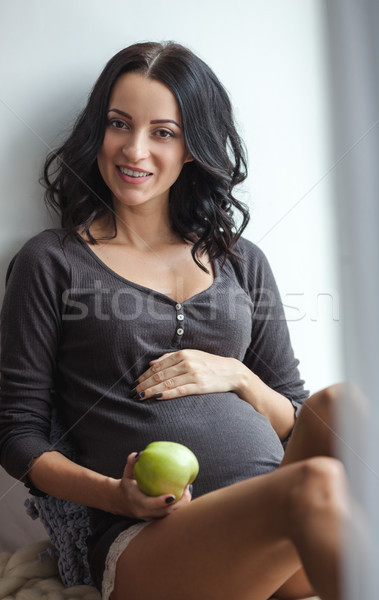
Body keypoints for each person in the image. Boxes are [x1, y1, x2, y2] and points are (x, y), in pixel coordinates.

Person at [0, 41, 350, 600]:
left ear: (192, 147)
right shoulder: (53, 261)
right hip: (152, 542)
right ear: (99, 131)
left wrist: (238, 376)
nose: (134, 149)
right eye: (119, 124)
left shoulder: (240, 260)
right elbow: (16, 432)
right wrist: (116, 496)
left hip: (275, 524)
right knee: (311, 485)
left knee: (342, 406)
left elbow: (294, 414)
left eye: (163, 131)